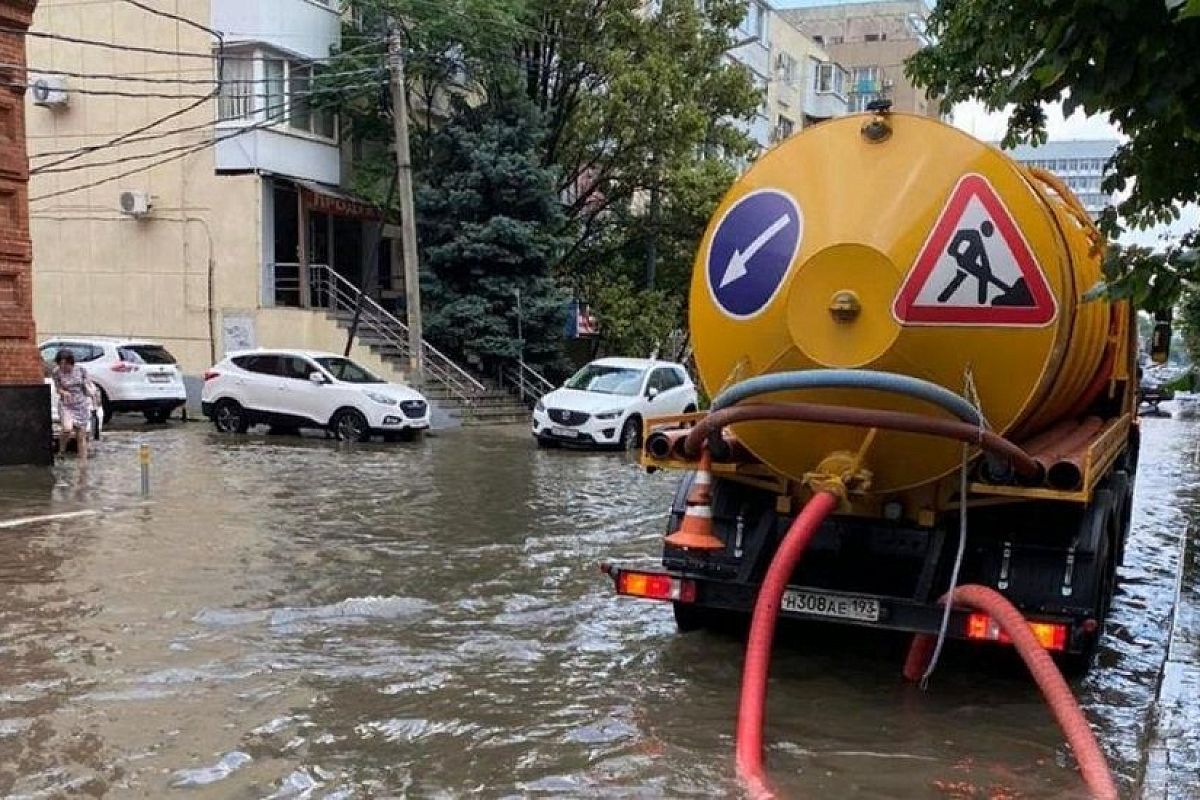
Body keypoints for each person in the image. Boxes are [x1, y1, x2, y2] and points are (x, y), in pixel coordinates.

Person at [51, 349, 98, 461]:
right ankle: (61, 451)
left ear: (71, 362)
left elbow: (88, 386)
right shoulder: (56, 372)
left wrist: (92, 397)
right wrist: (64, 392)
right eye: (61, 363)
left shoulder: (81, 370)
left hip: (81, 404)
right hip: (66, 404)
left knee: (80, 435)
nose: (63, 366)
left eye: (66, 364)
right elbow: (58, 388)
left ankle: (83, 461)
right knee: (67, 428)